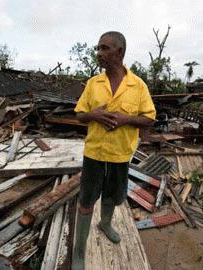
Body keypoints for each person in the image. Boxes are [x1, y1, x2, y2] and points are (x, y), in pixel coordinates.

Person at [72, 31, 156, 270]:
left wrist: (126, 119)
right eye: (98, 48)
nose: (99, 53)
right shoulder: (93, 84)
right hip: (94, 154)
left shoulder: (137, 86)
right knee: (86, 200)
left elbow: (149, 119)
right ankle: (79, 251)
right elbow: (79, 115)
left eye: (104, 48)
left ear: (119, 52)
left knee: (112, 197)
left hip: (120, 155)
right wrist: (93, 115)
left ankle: (105, 224)